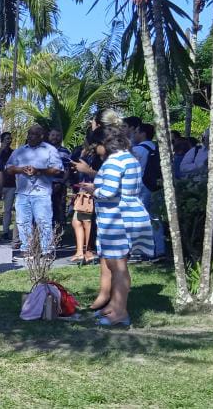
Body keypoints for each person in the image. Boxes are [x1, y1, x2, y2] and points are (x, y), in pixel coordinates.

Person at [74, 125, 152, 327]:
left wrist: (93, 190)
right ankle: (113, 306)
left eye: (96, 146)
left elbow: (108, 192)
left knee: (118, 267)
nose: (95, 150)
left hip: (116, 219)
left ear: (104, 144)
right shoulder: (129, 157)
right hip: (123, 216)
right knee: (116, 264)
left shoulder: (114, 162)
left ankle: (119, 311)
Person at [5, 126, 64, 257]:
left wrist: (39, 171)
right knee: (23, 221)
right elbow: (8, 168)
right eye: (29, 134)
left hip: (41, 192)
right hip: (23, 192)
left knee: (44, 221)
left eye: (34, 134)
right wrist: (21, 170)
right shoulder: (19, 151)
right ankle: (27, 249)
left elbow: (58, 169)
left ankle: (47, 250)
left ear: (41, 136)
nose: (30, 136)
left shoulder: (50, 150)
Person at [70, 134, 99, 264]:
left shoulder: (95, 157)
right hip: (82, 190)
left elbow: (94, 173)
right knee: (77, 221)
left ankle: (88, 251)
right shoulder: (84, 154)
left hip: (91, 190)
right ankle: (80, 251)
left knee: (87, 222)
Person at [48, 128, 73, 230]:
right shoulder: (44, 150)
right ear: (49, 136)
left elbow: (68, 169)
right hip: (45, 185)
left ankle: (57, 238)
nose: (55, 138)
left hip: (59, 185)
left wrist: (62, 183)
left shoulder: (65, 151)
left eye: (57, 135)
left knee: (59, 210)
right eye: (53, 135)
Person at [0, 132, 16, 243]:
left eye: (10, 139)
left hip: (11, 184)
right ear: (2, 140)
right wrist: (1, 150)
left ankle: (5, 231)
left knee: (7, 210)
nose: (8, 141)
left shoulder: (13, 153)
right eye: (6, 139)